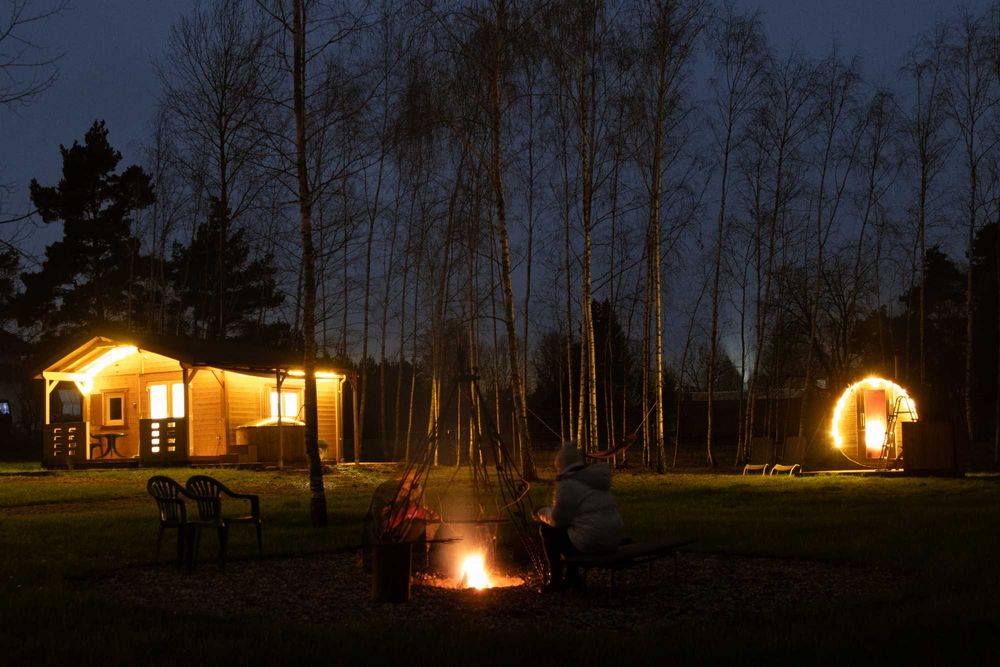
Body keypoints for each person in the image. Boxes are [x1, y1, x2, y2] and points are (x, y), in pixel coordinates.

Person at [535, 441, 623, 591]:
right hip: (613, 539)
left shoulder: (568, 484)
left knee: (548, 530)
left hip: (593, 542)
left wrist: (541, 512)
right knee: (574, 529)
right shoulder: (594, 479)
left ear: (561, 465)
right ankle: (572, 577)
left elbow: (557, 520)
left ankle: (556, 581)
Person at [362, 468, 440, 571]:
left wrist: (427, 515)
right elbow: (383, 521)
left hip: (405, 529)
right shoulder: (388, 490)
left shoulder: (415, 491)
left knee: (428, 523)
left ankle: (417, 561)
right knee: (417, 524)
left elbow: (419, 510)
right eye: (410, 481)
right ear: (401, 478)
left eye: (416, 481)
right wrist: (414, 511)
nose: (415, 484)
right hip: (386, 536)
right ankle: (403, 561)